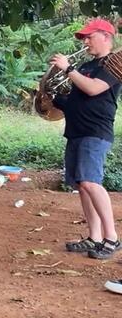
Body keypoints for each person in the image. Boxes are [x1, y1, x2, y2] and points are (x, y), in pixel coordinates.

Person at [50, 18, 121, 260]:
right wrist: (49, 97)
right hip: (77, 131)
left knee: (91, 182)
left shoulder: (114, 63)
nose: (86, 41)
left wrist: (68, 69)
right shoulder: (86, 66)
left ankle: (112, 237)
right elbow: (75, 100)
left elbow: (93, 89)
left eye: (90, 37)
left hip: (95, 132)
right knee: (82, 185)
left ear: (106, 37)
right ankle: (95, 237)